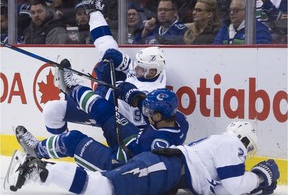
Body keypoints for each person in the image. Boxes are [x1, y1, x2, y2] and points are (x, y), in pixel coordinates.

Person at [7, 121, 280, 194]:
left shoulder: (217, 152)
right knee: (105, 187)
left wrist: (257, 186)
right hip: (164, 169)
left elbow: (225, 190)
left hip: (166, 176)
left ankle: (41, 170)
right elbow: (234, 186)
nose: (245, 157)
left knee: (104, 186)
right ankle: (40, 168)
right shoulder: (230, 144)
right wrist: (260, 175)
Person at [14, 59, 189, 172]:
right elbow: (145, 105)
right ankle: (71, 88)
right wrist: (134, 96)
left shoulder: (155, 143)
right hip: (132, 143)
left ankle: (36, 150)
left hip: (124, 166)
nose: (146, 113)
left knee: (73, 140)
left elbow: (139, 167)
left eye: (150, 113)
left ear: (159, 116)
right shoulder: (178, 120)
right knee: (104, 109)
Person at [42, 0, 167, 134]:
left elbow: (116, 100)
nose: (135, 68)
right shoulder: (149, 72)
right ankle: (94, 10)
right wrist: (116, 58)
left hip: (119, 124)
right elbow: (129, 66)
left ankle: (73, 88)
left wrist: (105, 86)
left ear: (151, 71)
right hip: (107, 106)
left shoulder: (150, 94)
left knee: (107, 71)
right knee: (52, 110)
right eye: (138, 66)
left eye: (140, 68)